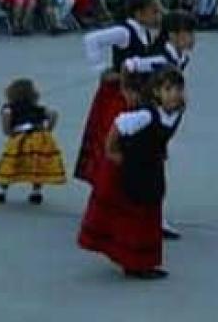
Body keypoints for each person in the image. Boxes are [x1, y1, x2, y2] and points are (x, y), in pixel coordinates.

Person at [77, 68, 184, 280]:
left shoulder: (175, 112)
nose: (174, 94)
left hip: (150, 167)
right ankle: (134, 263)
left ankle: (142, 261)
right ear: (155, 93)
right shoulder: (145, 115)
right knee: (134, 217)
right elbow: (118, 125)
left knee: (149, 214)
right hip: (132, 168)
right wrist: (112, 151)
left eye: (178, 89)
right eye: (168, 89)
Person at [76, 0, 165, 184]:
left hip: (137, 91)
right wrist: (100, 69)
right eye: (154, 12)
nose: (158, 16)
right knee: (113, 137)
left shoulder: (146, 33)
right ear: (139, 13)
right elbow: (91, 40)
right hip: (118, 92)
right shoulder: (125, 32)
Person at [0, 77, 66, 204]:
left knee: (10, 163)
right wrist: (48, 130)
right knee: (37, 164)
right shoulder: (37, 108)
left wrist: (11, 133)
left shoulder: (9, 108)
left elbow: (6, 127)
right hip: (40, 137)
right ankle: (36, 192)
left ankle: (1, 191)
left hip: (21, 137)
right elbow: (53, 114)